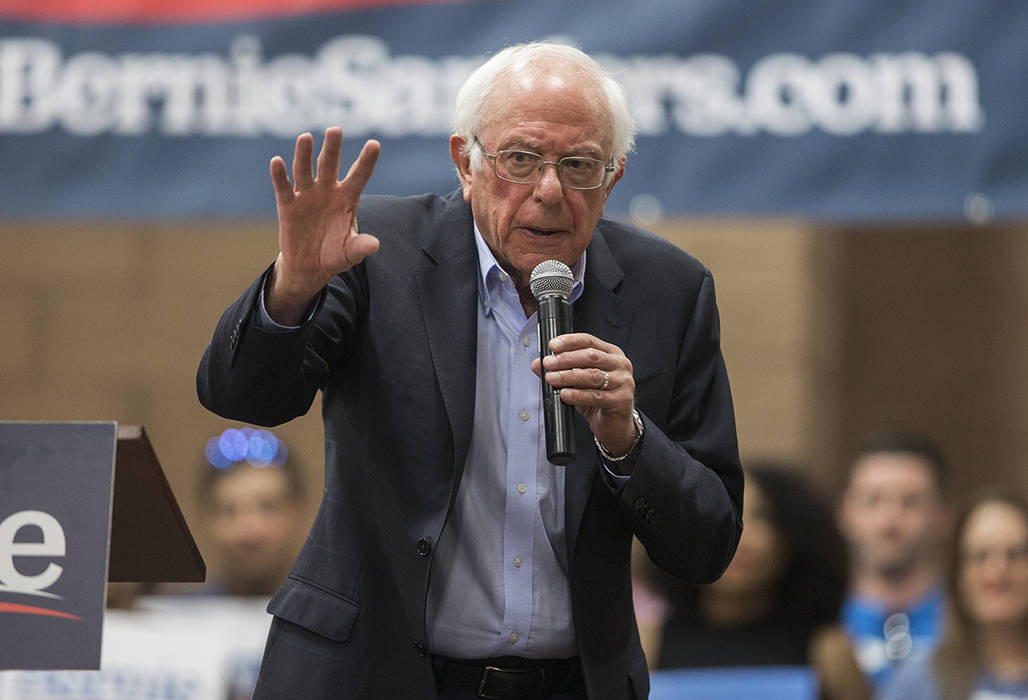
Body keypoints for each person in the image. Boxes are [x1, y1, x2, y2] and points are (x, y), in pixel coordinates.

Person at [196, 41, 743, 699]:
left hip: (572, 684)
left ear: (613, 177)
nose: (549, 190)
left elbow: (708, 545)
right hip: (367, 677)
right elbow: (243, 396)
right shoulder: (374, 252)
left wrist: (629, 442)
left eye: (578, 165)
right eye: (520, 159)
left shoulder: (669, 291)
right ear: (467, 162)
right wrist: (291, 289)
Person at [655, 463, 869, 700]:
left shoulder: (829, 652)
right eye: (717, 513)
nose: (738, 536)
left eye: (761, 518)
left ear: (794, 537)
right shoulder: (646, 644)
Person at [879, 490, 1028, 699]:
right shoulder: (919, 679)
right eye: (980, 556)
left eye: (1015, 554)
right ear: (956, 574)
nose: (997, 571)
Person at [838, 430, 952, 690]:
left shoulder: (972, 623)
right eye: (872, 501)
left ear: (943, 515)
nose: (888, 521)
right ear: (845, 511)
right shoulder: (817, 623)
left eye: (910, 502)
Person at [196, 426, 308, 597]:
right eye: (229, 511)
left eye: (268, 507)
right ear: (207, 518)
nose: (249, 530)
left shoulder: (333, 616)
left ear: (297, 510)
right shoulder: (175, 617)